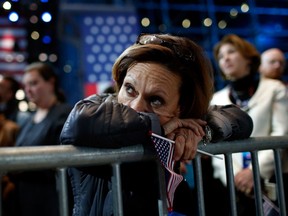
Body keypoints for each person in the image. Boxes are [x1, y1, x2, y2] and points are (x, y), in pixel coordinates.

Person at [60, 33, 253, 216]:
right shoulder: (98, 107)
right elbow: (77, 124)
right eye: (129, 89)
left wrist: (201, 130)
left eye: (156, 100)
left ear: (181, 109)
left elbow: (241, 119)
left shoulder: (182, 120)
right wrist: (159, 128)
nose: (135, 107)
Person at [211, 34, 288, 215]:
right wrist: (236, 177)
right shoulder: (216, 99)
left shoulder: (274, 89)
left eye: (231, 52)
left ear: (248, 58)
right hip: (235, 187)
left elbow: (281, 134)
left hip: (273, 179)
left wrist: (254, 172)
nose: (226, 59)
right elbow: (217, 148)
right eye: (221, 57)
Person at [7, 62, 72, 216]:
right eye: (25, 85)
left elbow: (64, 161)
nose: (28, 90)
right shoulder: (28, 120)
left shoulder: (64, 114)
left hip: (51, 200)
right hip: (25, 199)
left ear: (51, 83)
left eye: (33, 83)